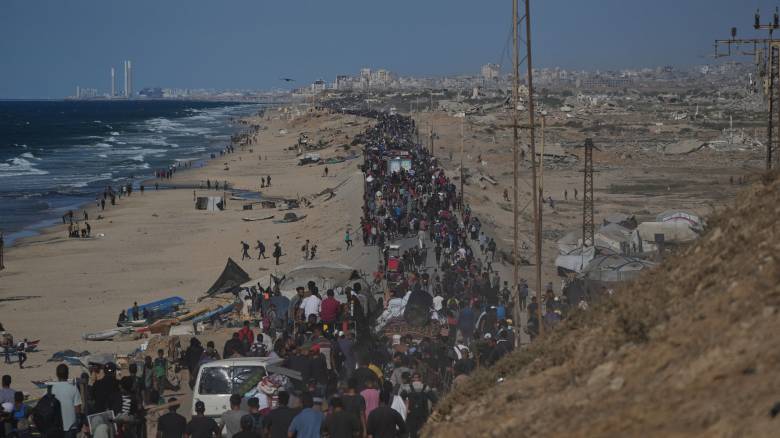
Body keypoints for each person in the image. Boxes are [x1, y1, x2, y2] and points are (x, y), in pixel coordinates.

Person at [51, 364, 82, 438]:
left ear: (57, 374)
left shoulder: (51, 389)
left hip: (56, 427)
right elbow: (77, 409)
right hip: (71, 427)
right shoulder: (73, 388)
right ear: (67, 374)